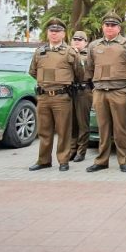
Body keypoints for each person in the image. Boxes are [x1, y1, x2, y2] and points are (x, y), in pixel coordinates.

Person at [28, 18, 84, 172]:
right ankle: (44, 160)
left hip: (62, 97)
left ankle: (63, 160)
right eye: (51, 31)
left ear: (63, 34)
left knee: (63, 131)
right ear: (47, 33)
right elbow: (33, 71)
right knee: (44, 131)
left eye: (57, 31)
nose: (54, 34)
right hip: (43, 97)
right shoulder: (39, 52)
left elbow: (79, 73)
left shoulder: (70, 52)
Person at [85, 13, 126, 173]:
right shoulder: (94, 46)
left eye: (113, 25)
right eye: (107, 25)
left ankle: (124, 160)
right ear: (102, 27)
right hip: (99, 91)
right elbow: (89, 68)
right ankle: (102, 160)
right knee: (102, 128)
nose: (110, 28)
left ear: (119, 28)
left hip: (119, 90)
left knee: (120, 128)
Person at [68, 30, 92, 163]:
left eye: (80, 39)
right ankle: (72, 149)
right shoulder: (67, 53)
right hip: (70, 91)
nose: (77, 41)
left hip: (84, 91)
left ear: (86, 42)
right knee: (72, 123)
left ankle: (81, 151)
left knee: (83, 123)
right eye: (75, 39)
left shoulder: (88, 55)